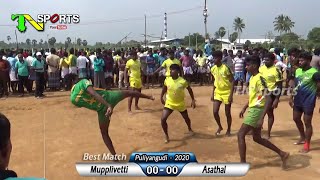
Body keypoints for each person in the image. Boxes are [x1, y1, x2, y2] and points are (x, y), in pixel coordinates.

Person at [70, 79, 154, 155]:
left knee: (104, 133)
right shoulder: (82, 82)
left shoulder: (73, 99)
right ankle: (149, 97)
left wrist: (103, 107)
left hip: (103, 111)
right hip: (109, 97)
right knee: (129, 93)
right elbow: (94, 93)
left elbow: (87, 103)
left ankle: (114, 156)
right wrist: (108, 105)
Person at [238, 55, 289, 168]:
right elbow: (256, 96)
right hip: (254, 108)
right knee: (257, 138)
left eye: (248, 65)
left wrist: (261, 117)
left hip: (257, 110)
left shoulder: (259, 78)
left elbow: (268, 98)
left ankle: (242, 163)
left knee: (240, 134)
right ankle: (282, 154)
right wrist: (245, 107)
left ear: (254, 66)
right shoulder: (252, 78)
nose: (246, 67)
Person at [289, 52, 320, 153]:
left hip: (308, 101)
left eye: (302, 60)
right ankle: (302, 137)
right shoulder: (298, 71)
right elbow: (295, 85)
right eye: (299, 60)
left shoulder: (314, 72)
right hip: (298, 100)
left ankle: (307, 144)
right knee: (296, 118)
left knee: (307, 122)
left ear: (308, 60)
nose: (300, 62)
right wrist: (291, 97)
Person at [160, 64, 195, 143]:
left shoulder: (182, 81)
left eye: (173, 70)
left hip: (180, 103)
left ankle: (189, 128)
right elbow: (164, 88)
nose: (171, 72)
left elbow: (189, 89)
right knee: (163, 119)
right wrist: (161, 97)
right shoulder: (167, 80)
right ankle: (166, 135)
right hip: (170, 103)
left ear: (177, 71)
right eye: (170, 70)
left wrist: (193, 100)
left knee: (186, 118)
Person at [259, 53, 283, 139]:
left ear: (273, 61)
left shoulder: (276, 70)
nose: (265, 61)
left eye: (268, 60)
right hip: (262, 92)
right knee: (258, 110)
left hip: (272, 93)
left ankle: (268, 132)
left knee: (269, 113)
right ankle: (257, 128)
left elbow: (279, 85)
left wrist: (277, 98)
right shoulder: (261, 69)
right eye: (264, 60)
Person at [211, 51, 235, 136]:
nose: (214, 59)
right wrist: (212, 93)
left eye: (215, 58)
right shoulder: (213, 68)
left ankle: (228, 129)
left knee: (227, 113)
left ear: (220, 58)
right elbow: (215, 81)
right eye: (213, 58)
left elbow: (232, 81)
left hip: (227, 92)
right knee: (215, 111)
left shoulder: (225, 68)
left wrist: (231, 95)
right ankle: (220, 126)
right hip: (218, 92)